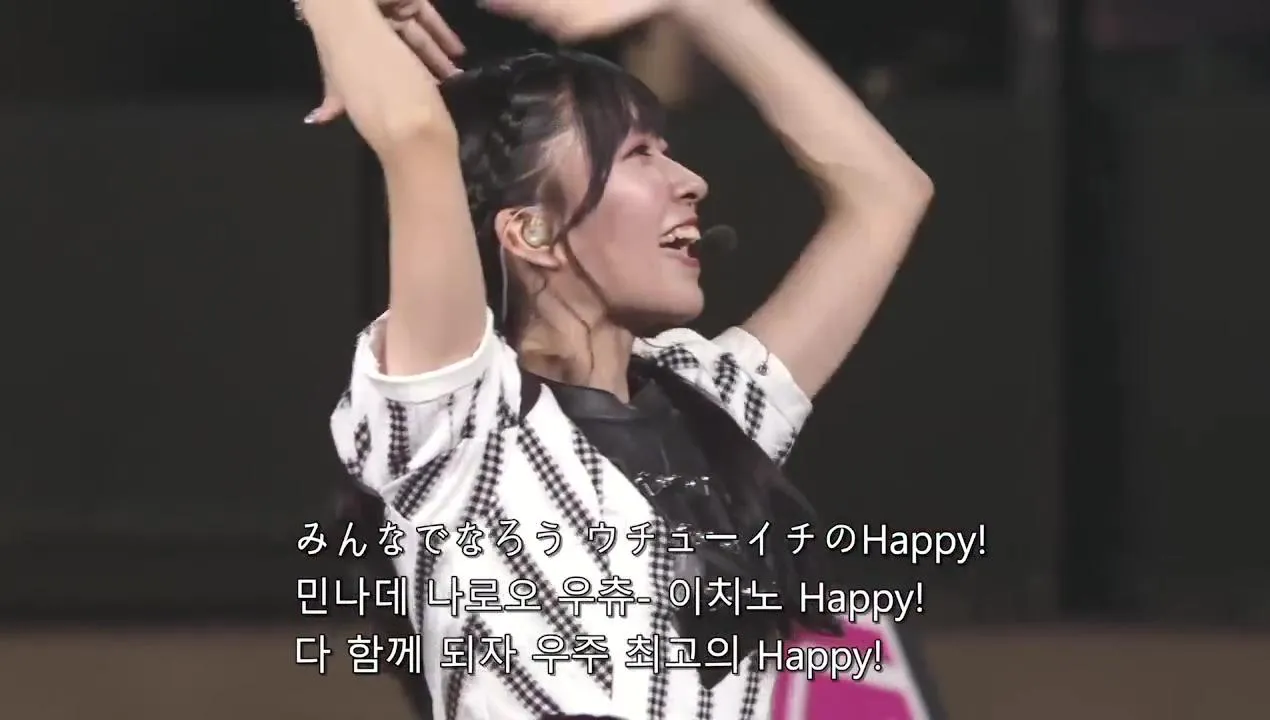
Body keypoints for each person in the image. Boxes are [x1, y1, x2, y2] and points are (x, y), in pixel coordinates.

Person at [302, 0, 933, 718]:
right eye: (638, 155)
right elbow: (417, 137)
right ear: (533, 234)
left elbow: (888, 195)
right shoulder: (465, 425)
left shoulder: (709, 406)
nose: (689, 181)